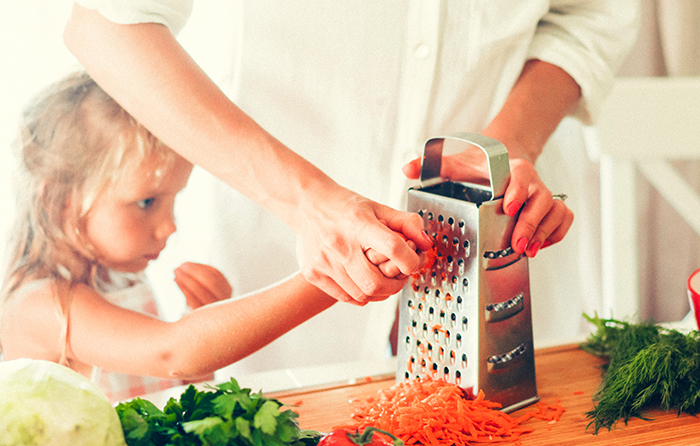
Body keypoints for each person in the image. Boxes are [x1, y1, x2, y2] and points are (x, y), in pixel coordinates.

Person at [61, 1, 639, 374]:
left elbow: (591, 15)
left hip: (492, 266)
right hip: (262, 246)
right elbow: (106, 23)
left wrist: (508, 146)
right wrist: (306, 202)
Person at [0, 71, 341, 402]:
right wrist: (331, 275)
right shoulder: (43, 306)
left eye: (172, 200)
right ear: (61, 202)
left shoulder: (118, 280)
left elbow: (171, 385)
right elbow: (174, 352)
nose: (169, 226)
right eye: (146, 202)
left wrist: (202, 325)